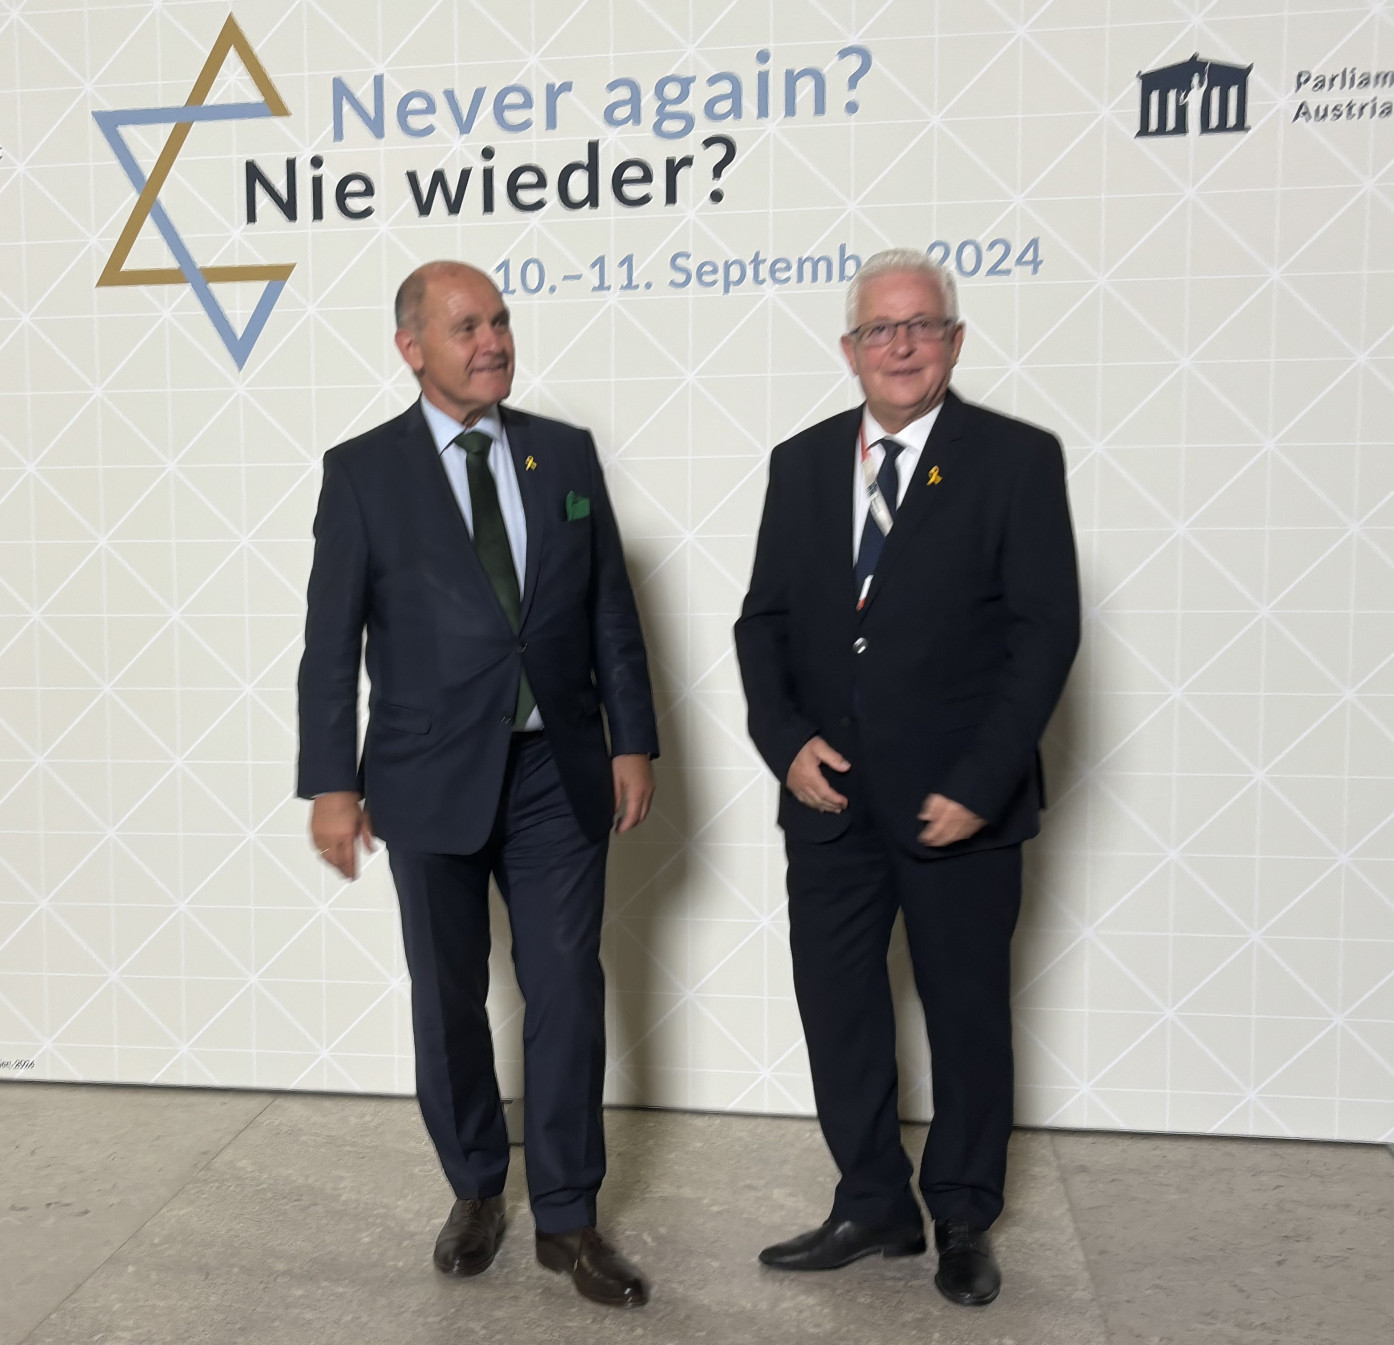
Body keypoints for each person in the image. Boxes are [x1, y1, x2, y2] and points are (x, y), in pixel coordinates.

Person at [297, 261, 659, 1308]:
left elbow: (609, 608)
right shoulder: (362, 473)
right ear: (411, 347)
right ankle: (474, 1187)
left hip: (556, 768)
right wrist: (330, 783)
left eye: (499, 320)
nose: (493, 340)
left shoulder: (564, 453)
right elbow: (331, 642)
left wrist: (632, 739)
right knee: (448, 995)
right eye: (466, 327)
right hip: (425, 773)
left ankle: (569, 1216)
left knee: (566, 986)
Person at [734, 249, 1080, 1307]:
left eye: (921, 325)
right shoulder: (801, 463)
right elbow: (763, 623)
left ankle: (965, 1215)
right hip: (829, 802)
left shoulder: (1015, 459)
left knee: (966, 1014)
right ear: (850, 349)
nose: (901, 344)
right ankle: (873, 1201)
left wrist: (983, 780)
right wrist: (786, 743)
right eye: (880, 328)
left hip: (956, 806)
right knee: (838, 1008)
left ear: (955, 341)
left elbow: (1045, 632)